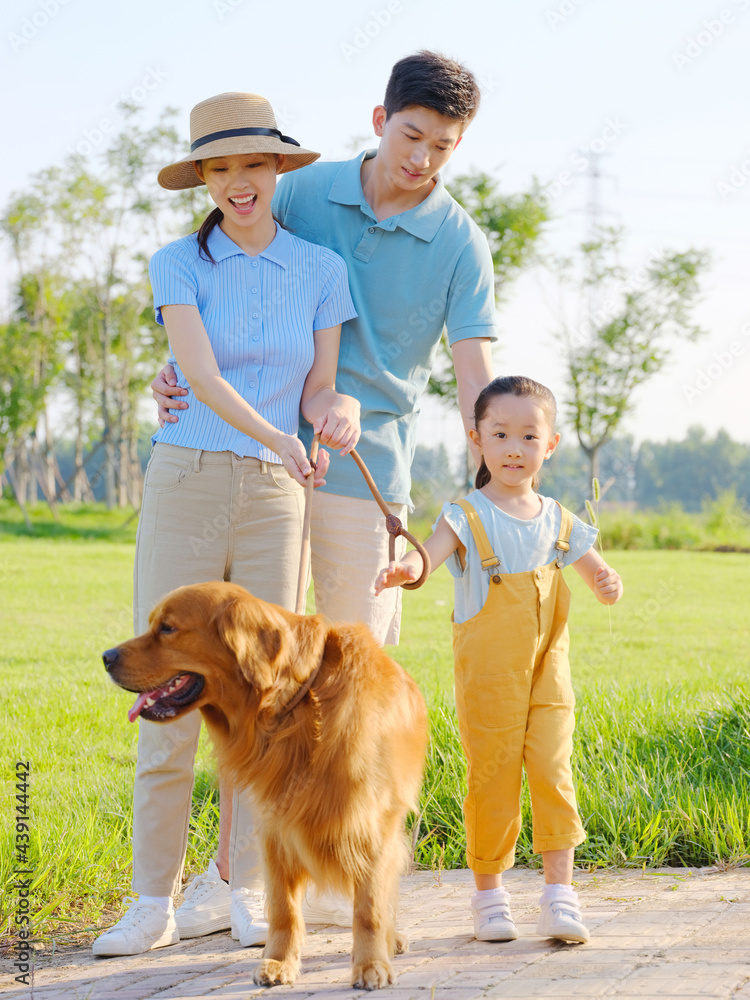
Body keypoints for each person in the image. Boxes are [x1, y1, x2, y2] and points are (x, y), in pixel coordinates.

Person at [151, 51, 498, 928]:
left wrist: (491, 473)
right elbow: (227, 272)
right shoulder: (303, 190)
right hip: (256, 457)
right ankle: (240, 881)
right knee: (244, 674)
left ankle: (355, 862)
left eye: (444, 147)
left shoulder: (460, 241)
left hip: (363, 462)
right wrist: (174, 365)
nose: (423, 158)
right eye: (413, 136)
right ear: (379, 120)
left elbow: (472, 367)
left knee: (348, 679)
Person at [92, 91, 360, 957]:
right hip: (191, 479)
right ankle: (150, 900)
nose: (238, 183)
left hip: (280, 498)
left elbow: (319, 386)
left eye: (253, 164)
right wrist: (282, 436)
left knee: (262, 699)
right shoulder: (179, 261)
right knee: (166, 683)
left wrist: (336, 409)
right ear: (202, 178)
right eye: (219, 168)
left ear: (278, 170)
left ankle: (246, 886)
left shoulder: (321, 270)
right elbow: (199, 375)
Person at [375, 375, 624, 944]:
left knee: (554, 771)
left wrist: (608, 583)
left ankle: (559, 895)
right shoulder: (466, 514)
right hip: (488, 678)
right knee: (492, 777)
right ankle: (489, 897)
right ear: (477, 439)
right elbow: (427, 559)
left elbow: (595, 574)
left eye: (529, 436)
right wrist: (405, 570)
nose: (515, 448)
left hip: (549, 676)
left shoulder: (560, 518)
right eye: (501, 434)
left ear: (551, 444)